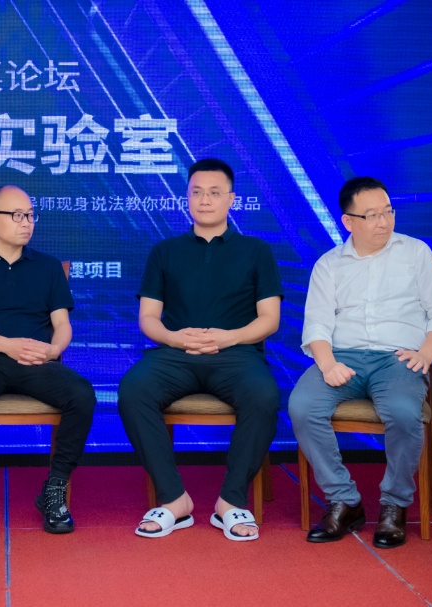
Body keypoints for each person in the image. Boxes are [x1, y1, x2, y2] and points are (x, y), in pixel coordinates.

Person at [288, 177, 432, 549]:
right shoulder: (329, 264)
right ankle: (343, 499)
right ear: (348, 221)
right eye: (372, 215)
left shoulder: (416, 253)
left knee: (403, 412)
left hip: (398, 358)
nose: (384, 222)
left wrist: (425, 353)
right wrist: (327, 363)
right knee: (302, 406)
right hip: (342, 357)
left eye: (388, 212)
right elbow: (316, 324)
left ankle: (394, 504)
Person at [118, 158, 282, 542]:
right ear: (187, 198)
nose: (204, 200)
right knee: (133, 390)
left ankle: (231, 501)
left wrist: (229, 337)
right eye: (196, 192)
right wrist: (175, 338)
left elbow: (269, 319)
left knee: (264, 395)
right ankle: (174, 499)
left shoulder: (256, 251)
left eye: (214, 192)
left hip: (237, 353)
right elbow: (148, 318)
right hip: (176, 353)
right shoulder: (165, 251)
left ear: (232, 199)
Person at [0, 185, 96, 536]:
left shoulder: (48, 267)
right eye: (17, 215)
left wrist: (53, 351)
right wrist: (5, 345)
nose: (27, 222)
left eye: (30, 215)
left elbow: (62, 324)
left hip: (37, 359)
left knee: (82, 395)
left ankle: (54, 489)